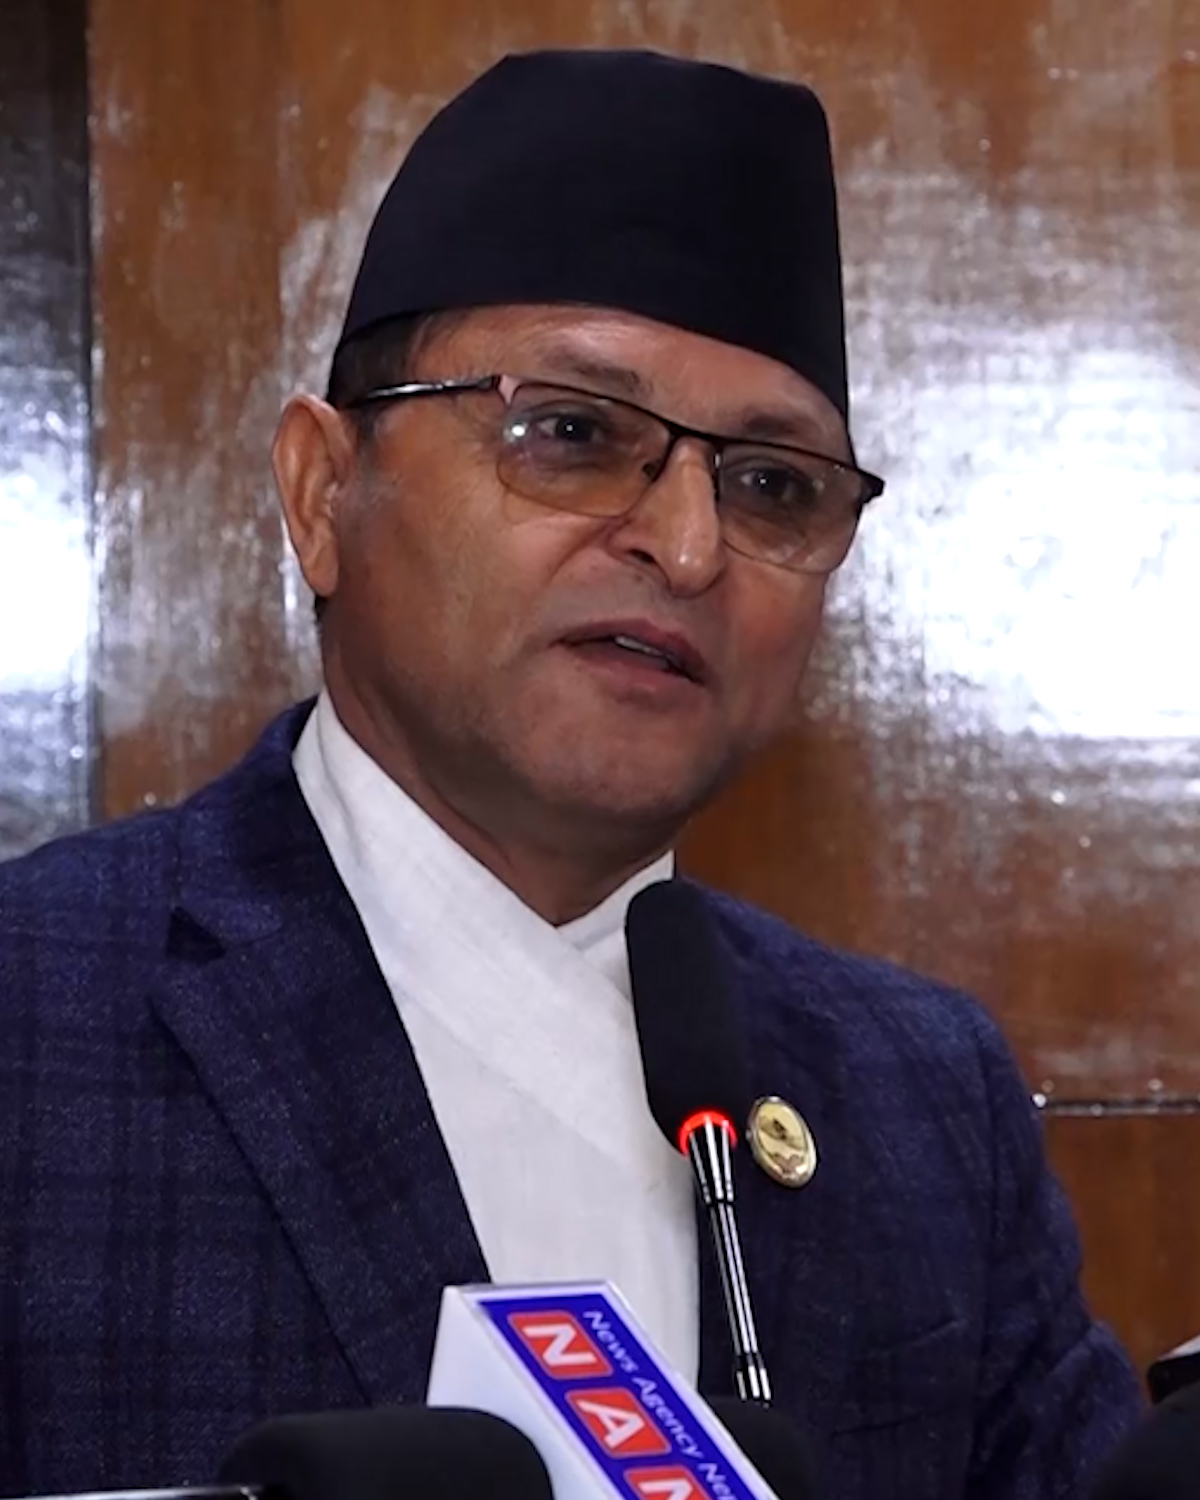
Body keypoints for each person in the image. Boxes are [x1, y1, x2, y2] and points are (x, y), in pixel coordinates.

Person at [0, 47, 1140, 1500]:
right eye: (575, 434)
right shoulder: (34, 1018)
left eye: (771, 485)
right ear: (322, 492)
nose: (689, 546)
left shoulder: (921, 1098)